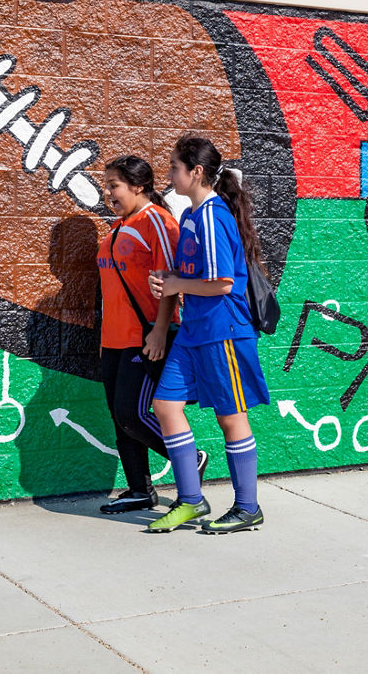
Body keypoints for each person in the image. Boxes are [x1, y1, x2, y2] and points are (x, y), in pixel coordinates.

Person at [146, 135, 271, 533]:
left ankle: (247, 507)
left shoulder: (213, 218)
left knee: (230, 418)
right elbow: (196, 278)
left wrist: (175, 286)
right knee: (165, 407)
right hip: (195, 331)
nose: (169, 175)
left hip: (223, 332)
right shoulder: (190, 218)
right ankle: (191, 500)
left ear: (195, 172)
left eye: (174, 168)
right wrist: (172, 280)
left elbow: (221, 284)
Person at [95, 155, 185, 513]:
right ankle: (139, 490)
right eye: (107, 185)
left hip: (143, 336)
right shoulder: (118, 227)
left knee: (132, 413)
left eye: (114, 185)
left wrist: (160, 331)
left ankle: (189, 458)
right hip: (112, 340)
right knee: (120, 419)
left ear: (139, 186)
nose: (107, 193)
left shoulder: (157, 222)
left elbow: (170, 281)